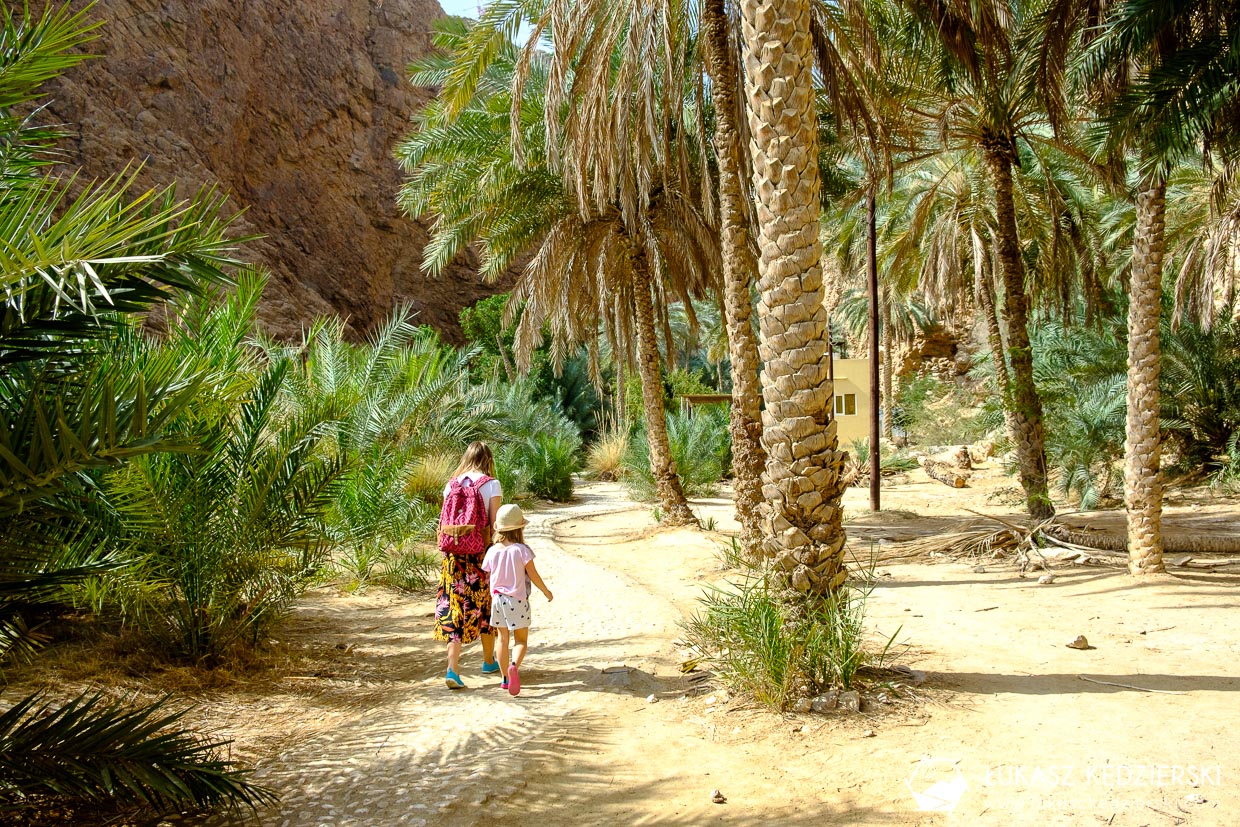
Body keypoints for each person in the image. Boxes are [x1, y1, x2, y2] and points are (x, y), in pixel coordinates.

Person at [435, 441, 502, 689]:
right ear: (488, 459)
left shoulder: (450, 485)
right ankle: (488, 661)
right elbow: (495, 525)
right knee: (484, 606)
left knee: (454, 608)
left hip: (452, 558)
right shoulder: (491, 484)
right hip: (479, 556)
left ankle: (452, 669)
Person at [481, 503, 553, 696]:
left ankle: (505, 678)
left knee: (502, 639)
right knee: (520, 640)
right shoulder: (522, 550)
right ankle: (514, 666)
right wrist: (546, 591)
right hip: (518, 601)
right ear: (520, 528)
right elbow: (534, 575)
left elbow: (486, 573)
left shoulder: (492, 550)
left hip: (497, 600)